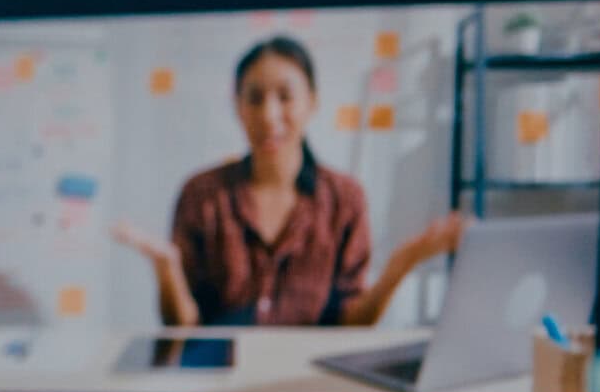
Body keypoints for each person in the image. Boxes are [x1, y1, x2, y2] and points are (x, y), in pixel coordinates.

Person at [112, 35, 465, 327]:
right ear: (237, 106)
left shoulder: (345, 199)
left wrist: (400, 266)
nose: (269, 115)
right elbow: (184, 330)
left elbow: (352, 323)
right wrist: (167, 268)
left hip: (308, 390)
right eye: (254, 98)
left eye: (284, 96)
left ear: (312, 102)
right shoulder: (202, 196)